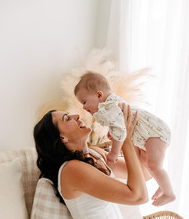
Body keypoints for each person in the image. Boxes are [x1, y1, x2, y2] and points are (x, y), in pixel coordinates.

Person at [33, 104, 189, 219]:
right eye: (67, 119)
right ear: (62, 138)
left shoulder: (94, 153)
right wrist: (125, 140)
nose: (76, 117)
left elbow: (144, 174)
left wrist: (138, 144)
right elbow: (138, 196)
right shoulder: (71, 170)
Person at [74, 71, 175, 207]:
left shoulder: (107, 109)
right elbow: (120, 129)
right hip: (154, 132)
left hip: (155, 133)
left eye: (84, 102)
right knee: (147, 162)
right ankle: (163, 185)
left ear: (99, 95)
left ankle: (169, 193)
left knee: (153, 165)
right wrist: (114, 134)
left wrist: (114, 153)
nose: (84, 108)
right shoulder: (111, 104)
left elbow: (121, 132)